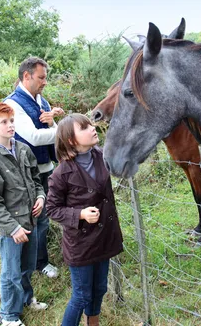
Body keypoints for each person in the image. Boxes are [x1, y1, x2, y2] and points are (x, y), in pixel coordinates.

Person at [46, 114, 124, 326]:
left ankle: (93, 323)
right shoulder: (61, 173)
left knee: (100, 288)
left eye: (91, 124)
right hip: (81, 244)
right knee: (81, 296)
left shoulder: (101, 155)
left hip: (104, 236)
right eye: (85, 127)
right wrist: (80, 214)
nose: (92, 128)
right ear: (72, 140)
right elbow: (51, 209)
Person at [0, 102, 49, 326]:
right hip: (12, 228)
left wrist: (40, 197)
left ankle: (27, 299)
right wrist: (13, 228)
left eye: (12, 121)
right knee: (11, 273)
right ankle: (8, 315)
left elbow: (36, 180)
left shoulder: (23, 149)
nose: (10, 126)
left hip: (31, 220)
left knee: (27, 266)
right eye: (4, 122)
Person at [4, 57, 64, 279]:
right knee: (30, 219)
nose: (45, 82)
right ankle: (26, 266)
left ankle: (40, 261)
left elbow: (52, 132)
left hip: (46, 167)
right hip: (26, 172)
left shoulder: (42, 101)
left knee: (44, 217)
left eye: (45, 77)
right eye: (41, 77)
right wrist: (66, 130)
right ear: (26, 76)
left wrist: (54, 124)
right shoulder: (12, 104)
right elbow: (34, 137)